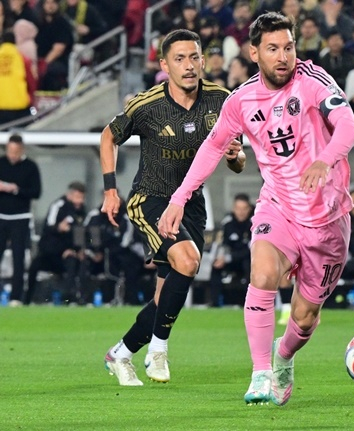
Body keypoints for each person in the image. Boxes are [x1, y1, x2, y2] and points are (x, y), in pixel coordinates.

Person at [157, 12, 354, 406]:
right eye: (272, 49)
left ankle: (283, 357)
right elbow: (213, 147)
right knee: (263, 273)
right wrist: (179, 197)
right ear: (254, 53)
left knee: (304, 318)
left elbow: (349, 127)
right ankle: (261, 373)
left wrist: (325, 160)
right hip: (278, 207)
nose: (283, 56)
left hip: (328, 220)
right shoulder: (241, 100)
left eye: (288, 47)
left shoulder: (314, 81)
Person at [99, 29, 246, 387]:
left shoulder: (222, 101)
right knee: (189, 260)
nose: (189, 65)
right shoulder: (147, 105)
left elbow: (238, 161)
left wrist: (236, 155)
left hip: (191, 205)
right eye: (179, 59)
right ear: (165, 65)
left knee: (164, 297)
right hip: (150, 199)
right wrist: (110, 190)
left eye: (194, 57)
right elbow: (108, 136)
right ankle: (158, 350)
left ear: (203, 60)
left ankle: (120, 353)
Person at [24, 181, 86, 306]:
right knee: (34, 266)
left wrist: (78, 250)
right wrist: (59, 228)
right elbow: (48, 228)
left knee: (77, 262)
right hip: (50, 252)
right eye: (77, 197)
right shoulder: (58, 206)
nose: (80, 201)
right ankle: (27, 299)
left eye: (82, 198)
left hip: (68, 253)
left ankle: (69, 299)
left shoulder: (81, 211)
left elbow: (80, 234)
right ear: (70, 194)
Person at [0, 134, 41, 306]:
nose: (12, 155)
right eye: (10, 151)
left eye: (16, 152)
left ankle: (15, 297)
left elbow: (36, 192)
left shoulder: (30, 167)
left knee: (19, 257)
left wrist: (15, 189)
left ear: (22, 150)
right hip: (1, 216)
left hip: (20, 217)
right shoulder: (1, 163)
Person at [209, 192, 253, 307]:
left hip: (247, 259)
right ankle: (214, 303)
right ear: (233, 208)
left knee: (249, 264)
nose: (241, 212)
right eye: (238, 208)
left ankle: (248, 303)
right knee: (216, 267)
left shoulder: (254, 225)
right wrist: (220, 258)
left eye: (244, 208)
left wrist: (230, 258)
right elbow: (221, 244)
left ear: (249, 209)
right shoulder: (227, 224)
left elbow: (251, 250)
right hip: (230, 260)